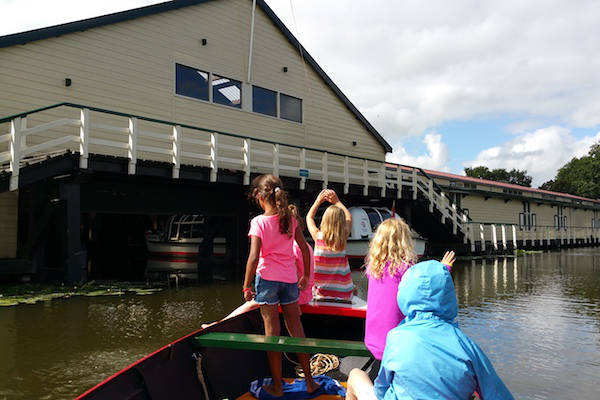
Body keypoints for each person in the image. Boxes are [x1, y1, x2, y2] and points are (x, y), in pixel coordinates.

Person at [347, 260, 514, 400]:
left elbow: (381, 388)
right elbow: (498, 395)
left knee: (356, 375)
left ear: (405, 295)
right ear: (449, 297)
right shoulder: (466, 346)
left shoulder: (396, 337)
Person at [242, 174, 319, 396]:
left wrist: (247, 285)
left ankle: (277, 386)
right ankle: (310, 382)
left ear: (259, 196)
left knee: (272, 333)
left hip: (267, 280)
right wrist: (304, 276)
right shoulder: (290, 220)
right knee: (296, 329)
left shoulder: (258, 222)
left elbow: (254, 257)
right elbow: (304, 249)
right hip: (289, 280)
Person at [364, 218, 456, 377]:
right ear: (404, 242)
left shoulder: (373, 268)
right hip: (396, 345)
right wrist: (445, 268)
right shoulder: (406, 270)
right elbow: (428, 285)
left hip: (373, 342)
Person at [201, 207, 314, 329]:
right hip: (305, 294)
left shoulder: (293, 248)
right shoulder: (306, 246)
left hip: (296, 296)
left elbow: (293, 276)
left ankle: (219, 324)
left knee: (249, 305)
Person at [306, 189, 354, 301]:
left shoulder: (317, 236)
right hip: (343, 293)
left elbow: (309, 218)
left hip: (321, 293)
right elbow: (349, 217)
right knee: (354, 288)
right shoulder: (343, 237)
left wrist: (318, 201)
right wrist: (337, 201)